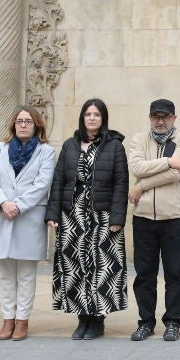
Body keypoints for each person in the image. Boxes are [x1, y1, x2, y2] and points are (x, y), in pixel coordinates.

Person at [48, 98, 129, 339]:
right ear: (82, 118)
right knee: (75, 267)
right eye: (88, 114)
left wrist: (118, 217)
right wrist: (53, 213)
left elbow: (121, 184)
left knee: (100, 268)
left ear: (103, 118)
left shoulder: (114, 146)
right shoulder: (70, 145)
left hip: (102, 217)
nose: (92, 118)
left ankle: (97, 319)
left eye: (96, 114)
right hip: (72, 216)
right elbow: (58, 180)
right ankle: (82, 318)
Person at [0, 106, 56, 341]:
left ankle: (22, 320)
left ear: (36, 125)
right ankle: (8, 319)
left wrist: (19, 205)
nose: (23, 125)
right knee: (6, 274)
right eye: (19, 121)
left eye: (27, 121)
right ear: (13, 125)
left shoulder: (46, 151)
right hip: (2, 215)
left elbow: (42, 183)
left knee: (25, 274)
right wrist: (3, 203)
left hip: (29, 216)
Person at [127, 98, 180, 342]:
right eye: (156, 117)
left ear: (174, 118)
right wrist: (167, 161)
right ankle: (146, 322)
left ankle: (173, 321)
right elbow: (136, 167)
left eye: (165, 117)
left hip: (174, 218)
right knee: (144, 274)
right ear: (150, 118)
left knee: (174, 274)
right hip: (143, 218)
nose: (160, 121)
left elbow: (177, 172)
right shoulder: (138, 139)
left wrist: (141, 186)